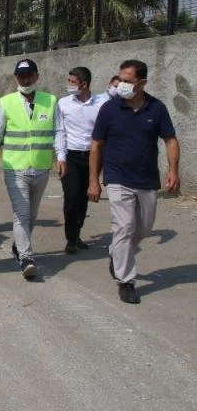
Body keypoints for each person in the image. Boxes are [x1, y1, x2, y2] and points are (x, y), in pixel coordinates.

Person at [89, 59, 180, 304]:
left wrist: (173, 170)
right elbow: (96, 145)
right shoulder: (109, 109)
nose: (121, 85)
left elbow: (170, 140)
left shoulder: (156, 108)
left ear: (142, 83)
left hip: (147, 179)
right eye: (120, 80)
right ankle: (126, 280)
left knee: (143, 229)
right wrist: (94, 181)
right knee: (125, 227)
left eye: (127, 81)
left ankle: (116, 253)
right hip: (117, 177)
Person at [0, 59, 66, 280]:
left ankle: (18, 246)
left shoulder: (50, 102)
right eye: (21, 76)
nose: (25, 79)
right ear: (16, 78)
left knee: (31, 215)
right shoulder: (6, 102)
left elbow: (58, 131)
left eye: (29, 75)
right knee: (21, 214)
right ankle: (26, 258)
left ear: (37, 77)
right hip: (15, 168)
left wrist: (61, 156)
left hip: (41, 168)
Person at [55, 67, 107, 254]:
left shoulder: (101, 104)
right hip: (71, 156)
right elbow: (60, 131)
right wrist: (60, 157)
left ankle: (77, 233)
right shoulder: (63, 104)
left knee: (86, 196)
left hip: (93, 156)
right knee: (71, 197)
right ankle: (70, 238)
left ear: (84, 84)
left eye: (72, 82)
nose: (68, 85)